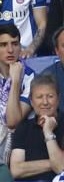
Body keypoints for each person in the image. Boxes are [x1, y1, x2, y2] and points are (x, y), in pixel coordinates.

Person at [9, 74, 64, 182]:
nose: (45, 102)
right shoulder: (23, 128)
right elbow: (15, 170)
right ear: (31, 101)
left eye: (50, 96)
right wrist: (52, 162)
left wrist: (48, 132)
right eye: (39, 97)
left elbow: (62, 170)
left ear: (58, 99)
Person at [0, 24, 34, 165]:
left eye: (15, 44)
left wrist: (15, 82)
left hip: (15, 142)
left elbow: (12, 121)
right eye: (3, 45)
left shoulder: (29, 77)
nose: (10, 50)